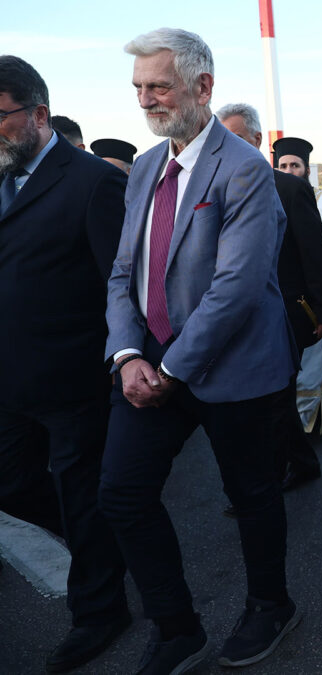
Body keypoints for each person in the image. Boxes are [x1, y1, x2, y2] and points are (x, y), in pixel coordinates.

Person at [100, 28, 300, 672]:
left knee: (252, 495)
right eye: (138, 88)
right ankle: (176, 626)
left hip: (232, 367)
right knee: (122, 493)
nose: (146, 100)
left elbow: (237, 289)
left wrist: (168, 367)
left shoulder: (245, 169)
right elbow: (123, 273)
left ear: (201, 86)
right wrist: (127, 355)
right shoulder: (147, 169)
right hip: (151, 362)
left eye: (158, 85)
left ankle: (271, 604)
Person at [0, 54, 130, 674]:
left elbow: (119, 284)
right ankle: (105, 541)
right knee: (13, 485)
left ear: (37, 115)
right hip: (9, 379)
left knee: (82, 496)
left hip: (75, 378)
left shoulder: (91, 181)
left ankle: (100, 611)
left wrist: (122, 363)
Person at [216, 108, 322, 496]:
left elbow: (314, 253)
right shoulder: (214, 187)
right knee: (261, 401)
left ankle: (266, 481)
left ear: (255, 142)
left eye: (232, 136)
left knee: (274, 398)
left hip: (285, 313)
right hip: (233, 315)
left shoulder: (287, 188)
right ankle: (299, 462)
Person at [272, 135, 322, 435]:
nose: (290, 170)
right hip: (281, 305)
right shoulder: (268, 192)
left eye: (295, 165)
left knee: (312, 372)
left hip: (311, 305)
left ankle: (310, 427)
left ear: (306, 168)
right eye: (283, 165)